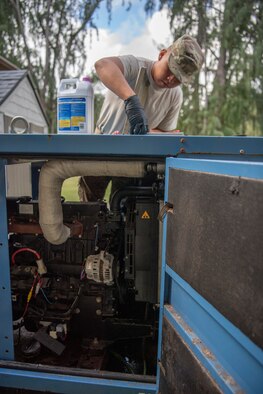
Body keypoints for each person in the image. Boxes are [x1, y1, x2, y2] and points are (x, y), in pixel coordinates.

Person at [78, 34, 204, 201]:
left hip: (133, 159)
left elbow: (163, 132)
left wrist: (149, 132)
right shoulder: (136, 67)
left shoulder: (175, 96)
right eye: (171, 69)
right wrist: (131, 99)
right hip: (101, 146)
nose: (171, 79)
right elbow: (102, 65)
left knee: (125, 210)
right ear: (162, 54)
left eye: (179, 78)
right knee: (89, 209)